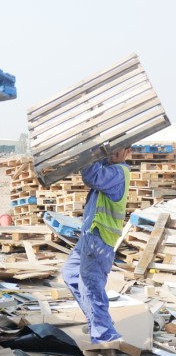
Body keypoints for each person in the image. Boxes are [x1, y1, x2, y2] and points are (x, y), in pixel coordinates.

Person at [62, 146, 132, 343]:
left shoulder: (119, 172)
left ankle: (105, 336)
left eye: (118, 150)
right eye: (110, 149)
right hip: (89, 235)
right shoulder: (110, 166)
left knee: (91, 286)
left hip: (100, 239)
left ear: (127, 151)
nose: (112, 154)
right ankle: (98, 323)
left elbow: (92, 176)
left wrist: (88, 150)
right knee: (70, 274)